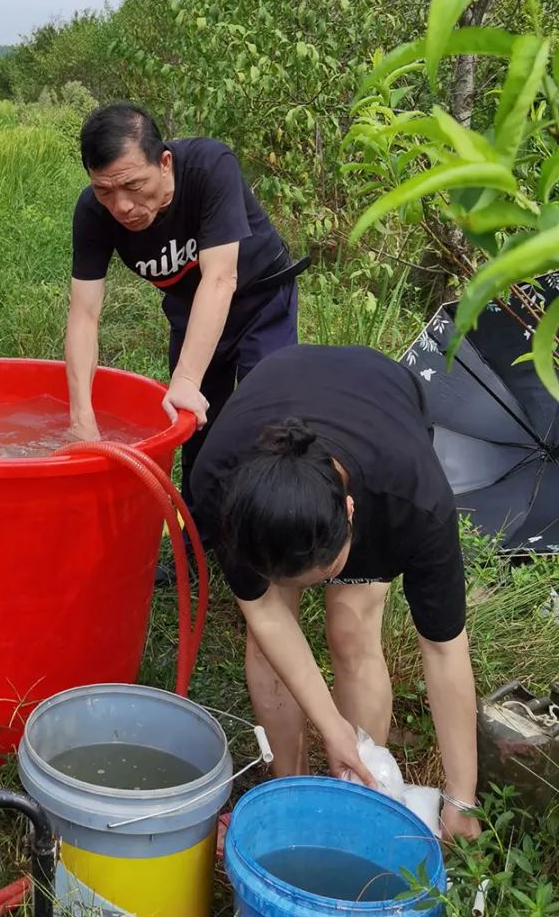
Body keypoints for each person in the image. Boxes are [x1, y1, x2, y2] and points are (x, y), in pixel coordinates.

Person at [190, 343, 481, 842]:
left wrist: (461, 798)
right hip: (275, 386)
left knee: (351, 628)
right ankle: (292, 786)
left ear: (349, 512)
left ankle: (359, 798)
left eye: (324, 570)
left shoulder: (415, 503)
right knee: (267, 639)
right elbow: (264, 614)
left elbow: (443, 648)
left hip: (379, 396)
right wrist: (331, 726)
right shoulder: (222, 485)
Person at [66, 102, 305, 497]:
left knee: (270, 418)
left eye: (133, 186)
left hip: (260, 300)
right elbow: (84, 314)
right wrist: (81, 417)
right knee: (193, 424)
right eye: (104, 190)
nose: (121, 206)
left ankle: (271, 523)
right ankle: (200, 531)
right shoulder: (94, 212)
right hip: (191, 310)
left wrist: (187, 377)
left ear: (163, 162)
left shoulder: (209, 166)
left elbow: (220, 277)